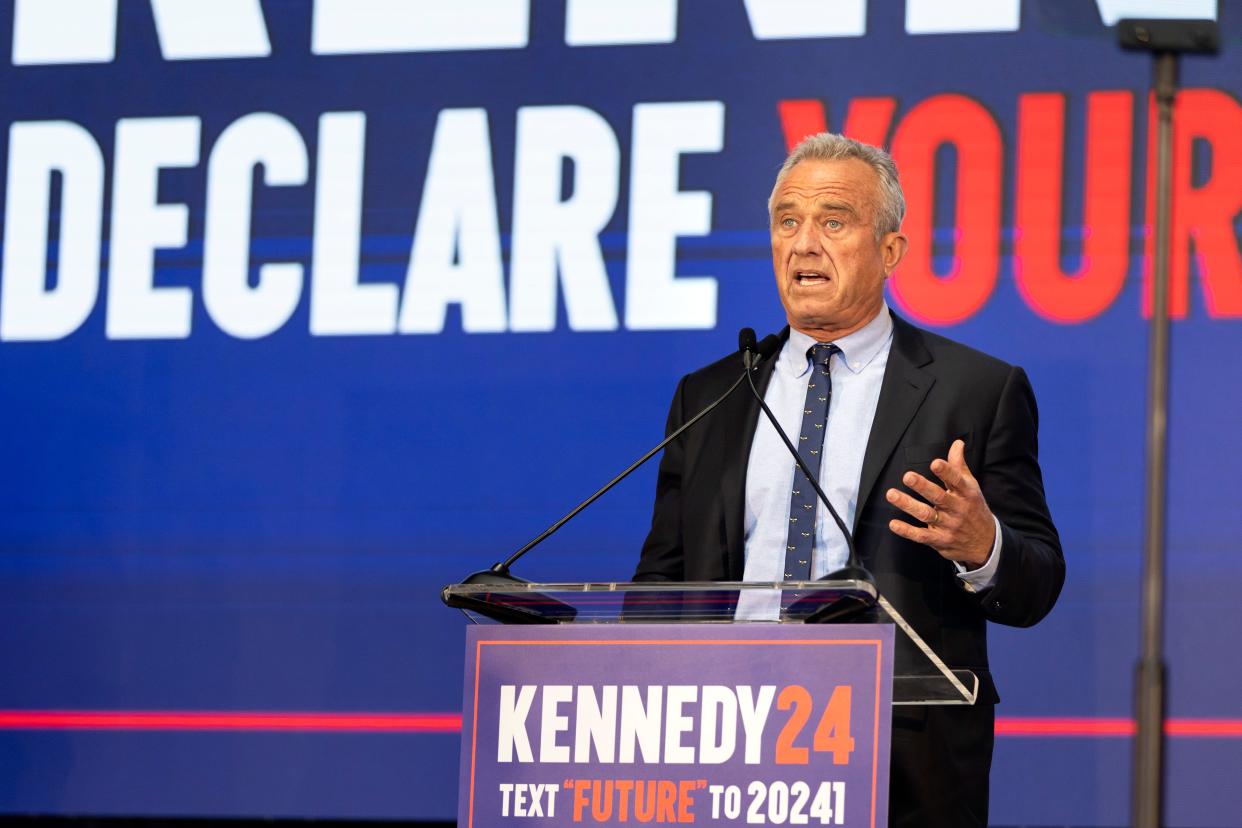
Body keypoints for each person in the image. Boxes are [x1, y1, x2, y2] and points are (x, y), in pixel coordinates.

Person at [634, 133, 1064, 827]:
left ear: (890, 250)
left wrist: (983, 546)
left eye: (833, 221)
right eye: (787, 221)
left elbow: (1037, 582)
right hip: (722, 749)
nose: (804, 243)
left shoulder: (976, 391)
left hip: (900, 760)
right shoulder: (710, 395)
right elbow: (661, 583)